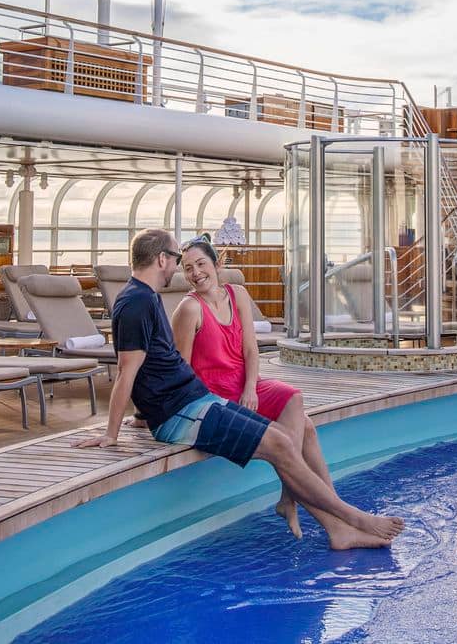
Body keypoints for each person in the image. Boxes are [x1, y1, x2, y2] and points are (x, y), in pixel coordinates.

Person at [74, 228, 403, 550]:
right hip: (181, 412)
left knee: (286, 438)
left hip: (193, 401)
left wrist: (141, 414)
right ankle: (355, 520)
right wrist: (111, 433)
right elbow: (127, 372)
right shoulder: (136, 303)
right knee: (279, 442)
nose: (179, 269)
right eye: (177, 260)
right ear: (162, 259)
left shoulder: (145, 298)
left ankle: (338, 530)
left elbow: (156, 367)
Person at [171, 236, 332, 539]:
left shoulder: (238, 294)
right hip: (214, 397)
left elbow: (250, 350)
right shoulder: (189, 309)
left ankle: (292, 497)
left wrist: (250, 389)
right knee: (305, 427)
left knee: (293, 399)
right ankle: (324, 508)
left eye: (201, 264)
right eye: (188, 268)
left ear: (217, 264)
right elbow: (181, 370)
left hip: (245, 385)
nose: (195, 273)